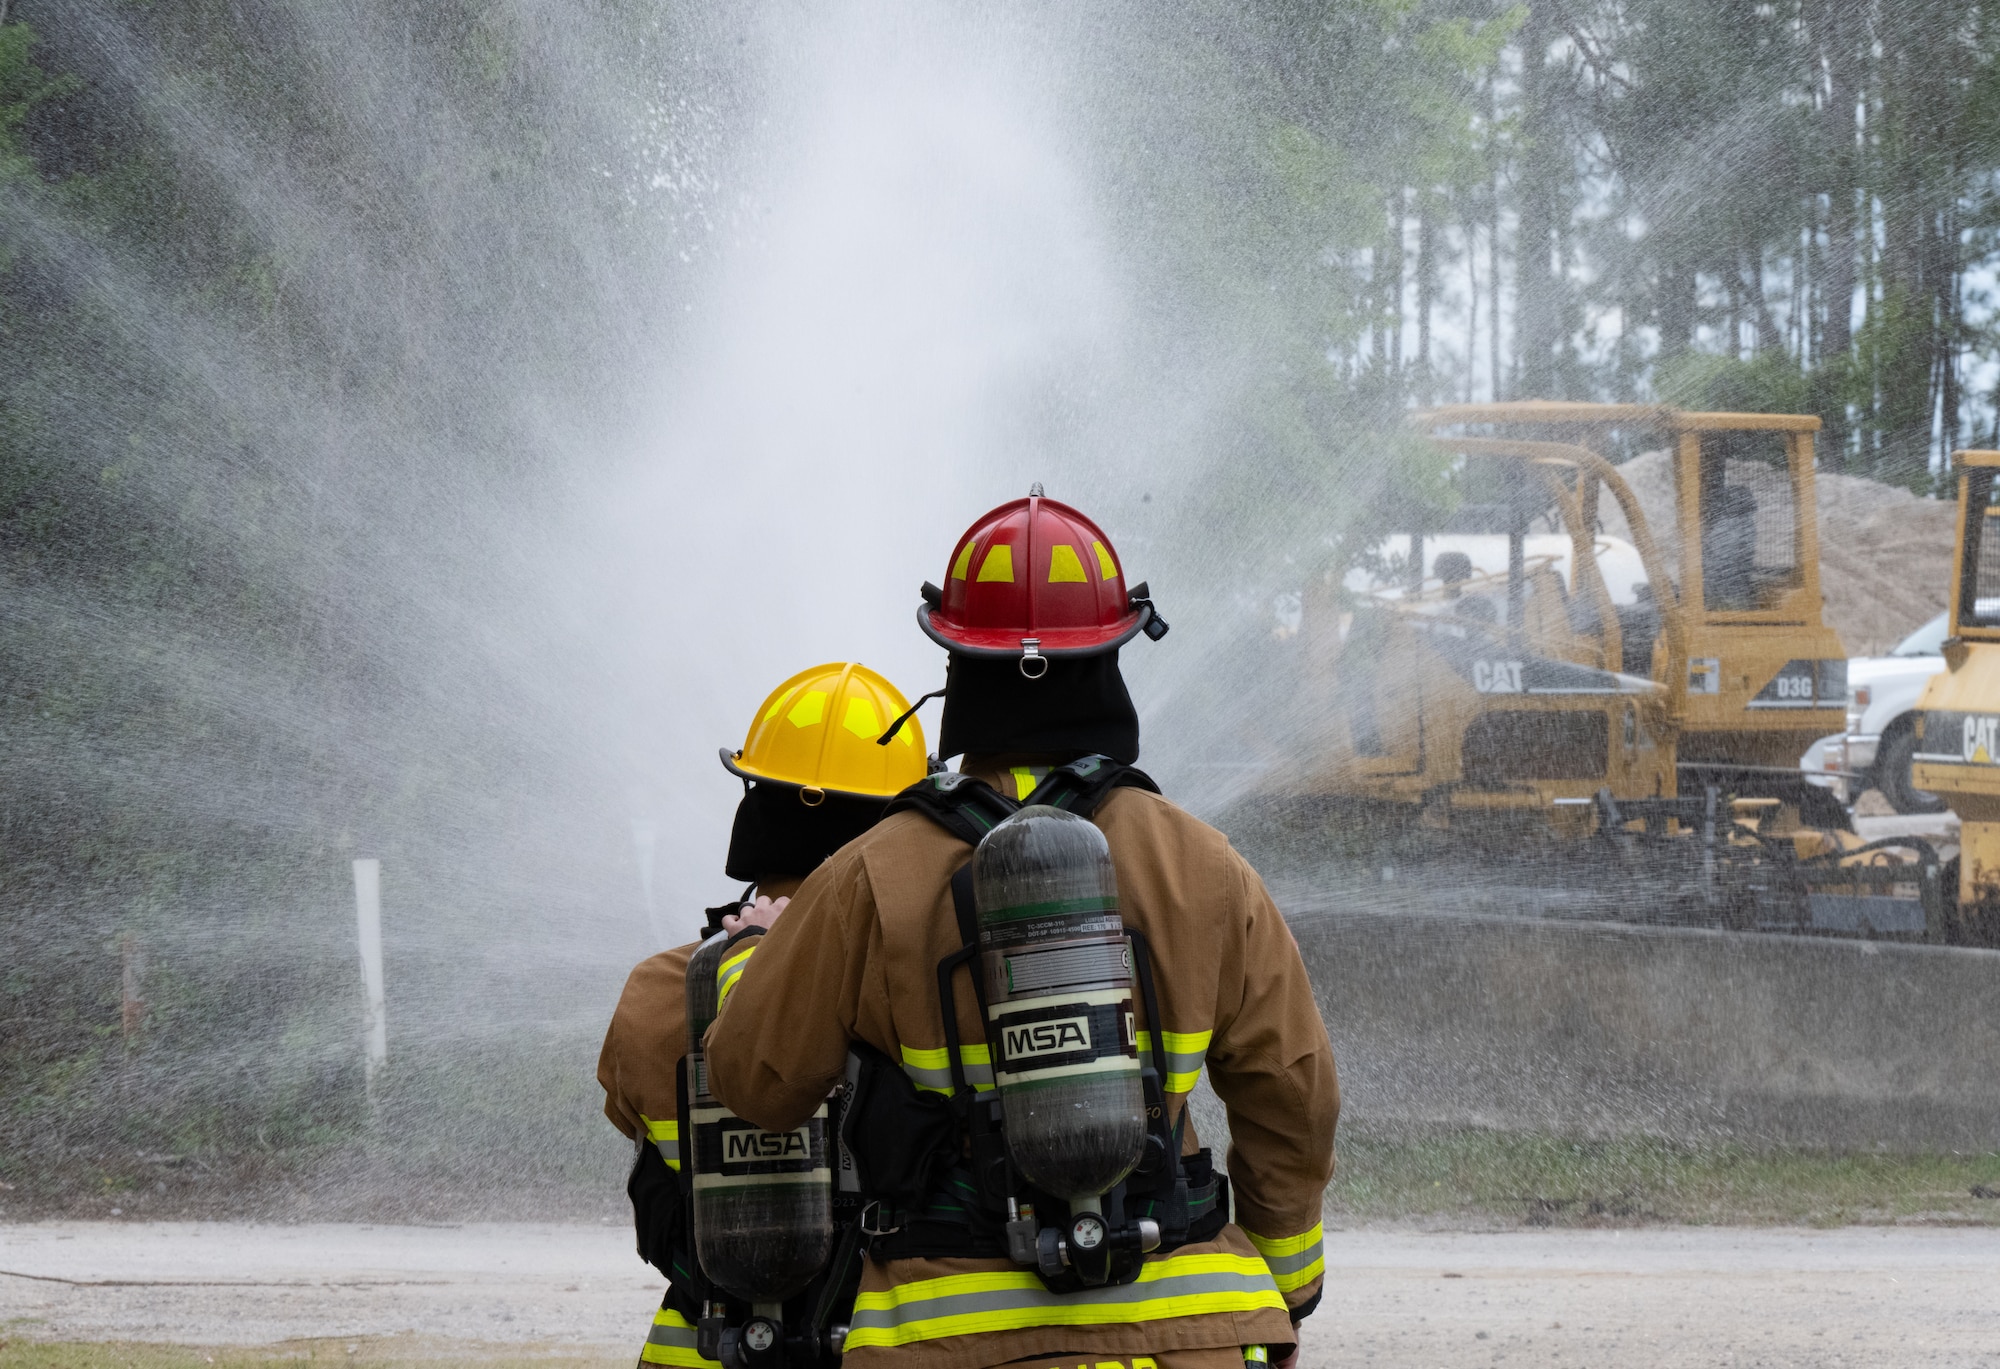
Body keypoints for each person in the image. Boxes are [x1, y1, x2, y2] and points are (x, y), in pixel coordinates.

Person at [705, 492, 1339, 1369]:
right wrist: (1283, 1287)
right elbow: (1294, 1092)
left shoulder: (868, 875)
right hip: (1186, 1335)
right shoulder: (1204, 864)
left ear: (957, 663)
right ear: (1114, 654)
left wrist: (753, 956)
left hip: (947, 1337)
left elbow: (755, 1082)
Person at [597, 662, 933, 1369]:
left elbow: (630, 1117)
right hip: (875, 1340)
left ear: (756, 805)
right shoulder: (919, 985)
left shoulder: (660, 989)